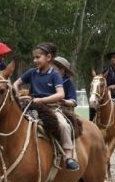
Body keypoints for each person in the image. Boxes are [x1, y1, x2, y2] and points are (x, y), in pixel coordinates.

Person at [13, 42, 79, 170]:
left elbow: (61, 94)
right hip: (30, 106)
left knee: (64, 125)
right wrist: (17, 94)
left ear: (48, 58)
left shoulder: (55, 75)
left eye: (38, 57)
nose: (35, 60)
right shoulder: (31, 72)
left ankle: (68, 156)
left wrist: (42, 100)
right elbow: (16, 84)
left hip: (50, 108)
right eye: (34, 57)